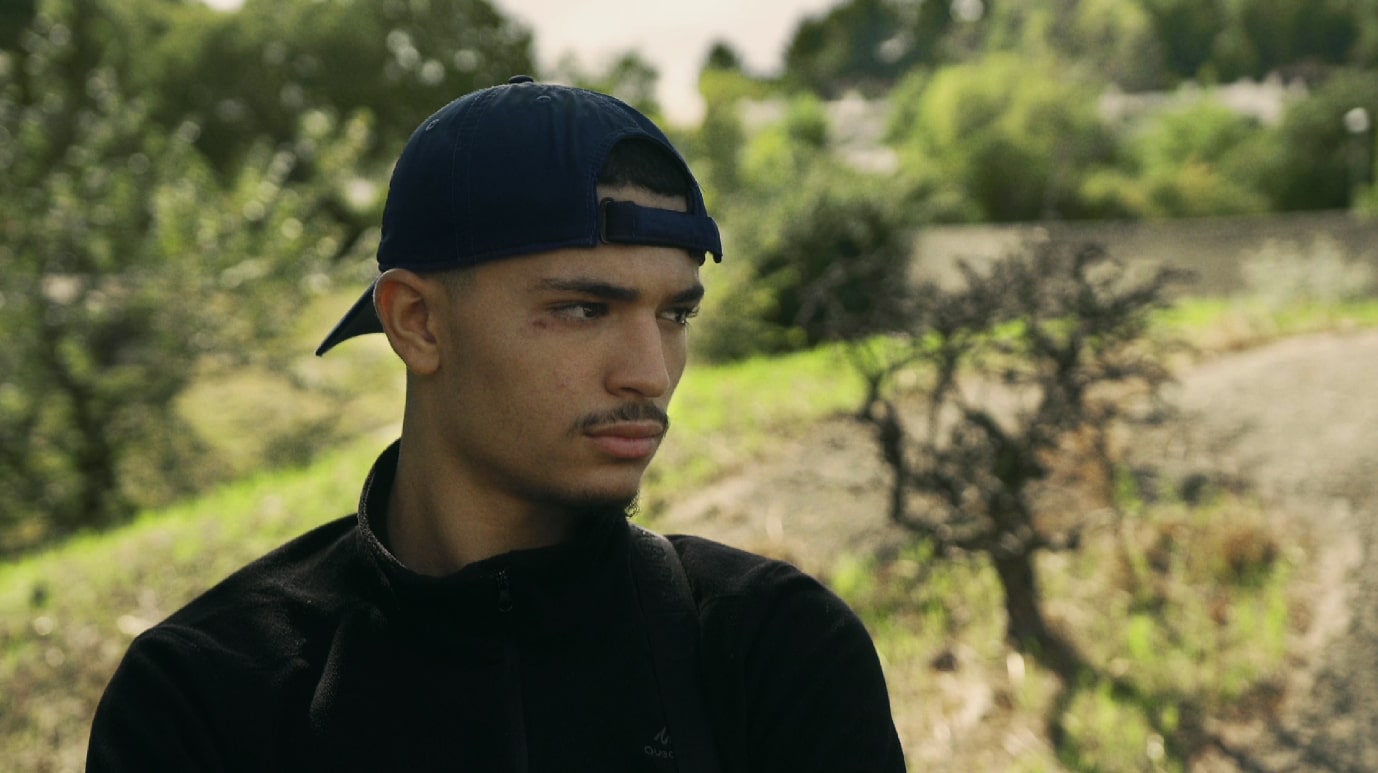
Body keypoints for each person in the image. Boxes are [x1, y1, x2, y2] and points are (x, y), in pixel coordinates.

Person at [88, 76, 905, 772]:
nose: (650, 374)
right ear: (417, 323)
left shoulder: (772, 652)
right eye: (583, 308)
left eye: (675, 314)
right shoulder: (204, 699)